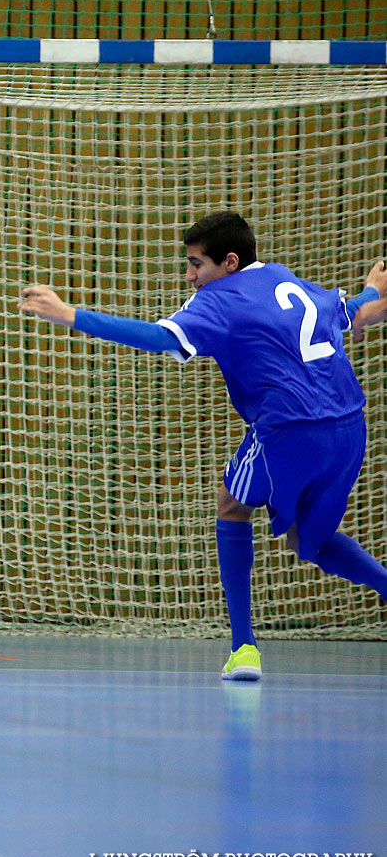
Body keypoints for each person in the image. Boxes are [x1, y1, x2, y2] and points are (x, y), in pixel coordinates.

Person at [19, 211, 387, 680]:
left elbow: (158, 337)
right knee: (307, 541)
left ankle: (244, 649)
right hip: (350, 426)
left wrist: (69, 315)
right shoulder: (283, 279)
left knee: (232, 505)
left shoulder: (219, 300)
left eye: (196, 265)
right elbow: (349, 311)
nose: (191, 277)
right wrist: (373, 291)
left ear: (229, 262)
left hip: (290, 429)